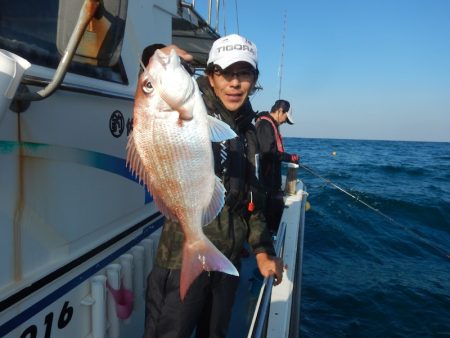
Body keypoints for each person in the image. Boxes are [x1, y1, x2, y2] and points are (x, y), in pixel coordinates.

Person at [141, 34, 284, 338]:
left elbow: (252, 198)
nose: (235, 83)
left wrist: (261, 250)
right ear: (210, 75)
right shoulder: (192, 107)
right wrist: (157, 55)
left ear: (254, 79)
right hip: (181, 259)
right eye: (224, 72)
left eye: (244, 73)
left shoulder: (248, 129)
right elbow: (154, 93)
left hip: (226, 260)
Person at [255, 99, 299, 233]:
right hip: (266, 181)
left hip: (272, 181)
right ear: (280, 111)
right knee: (269, 213)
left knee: (276, 211)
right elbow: (267, 152)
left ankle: (272, 234)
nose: (286, 121)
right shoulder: (264, 124)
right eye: (286, 117)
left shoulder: (270, 124)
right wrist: (289, 157)